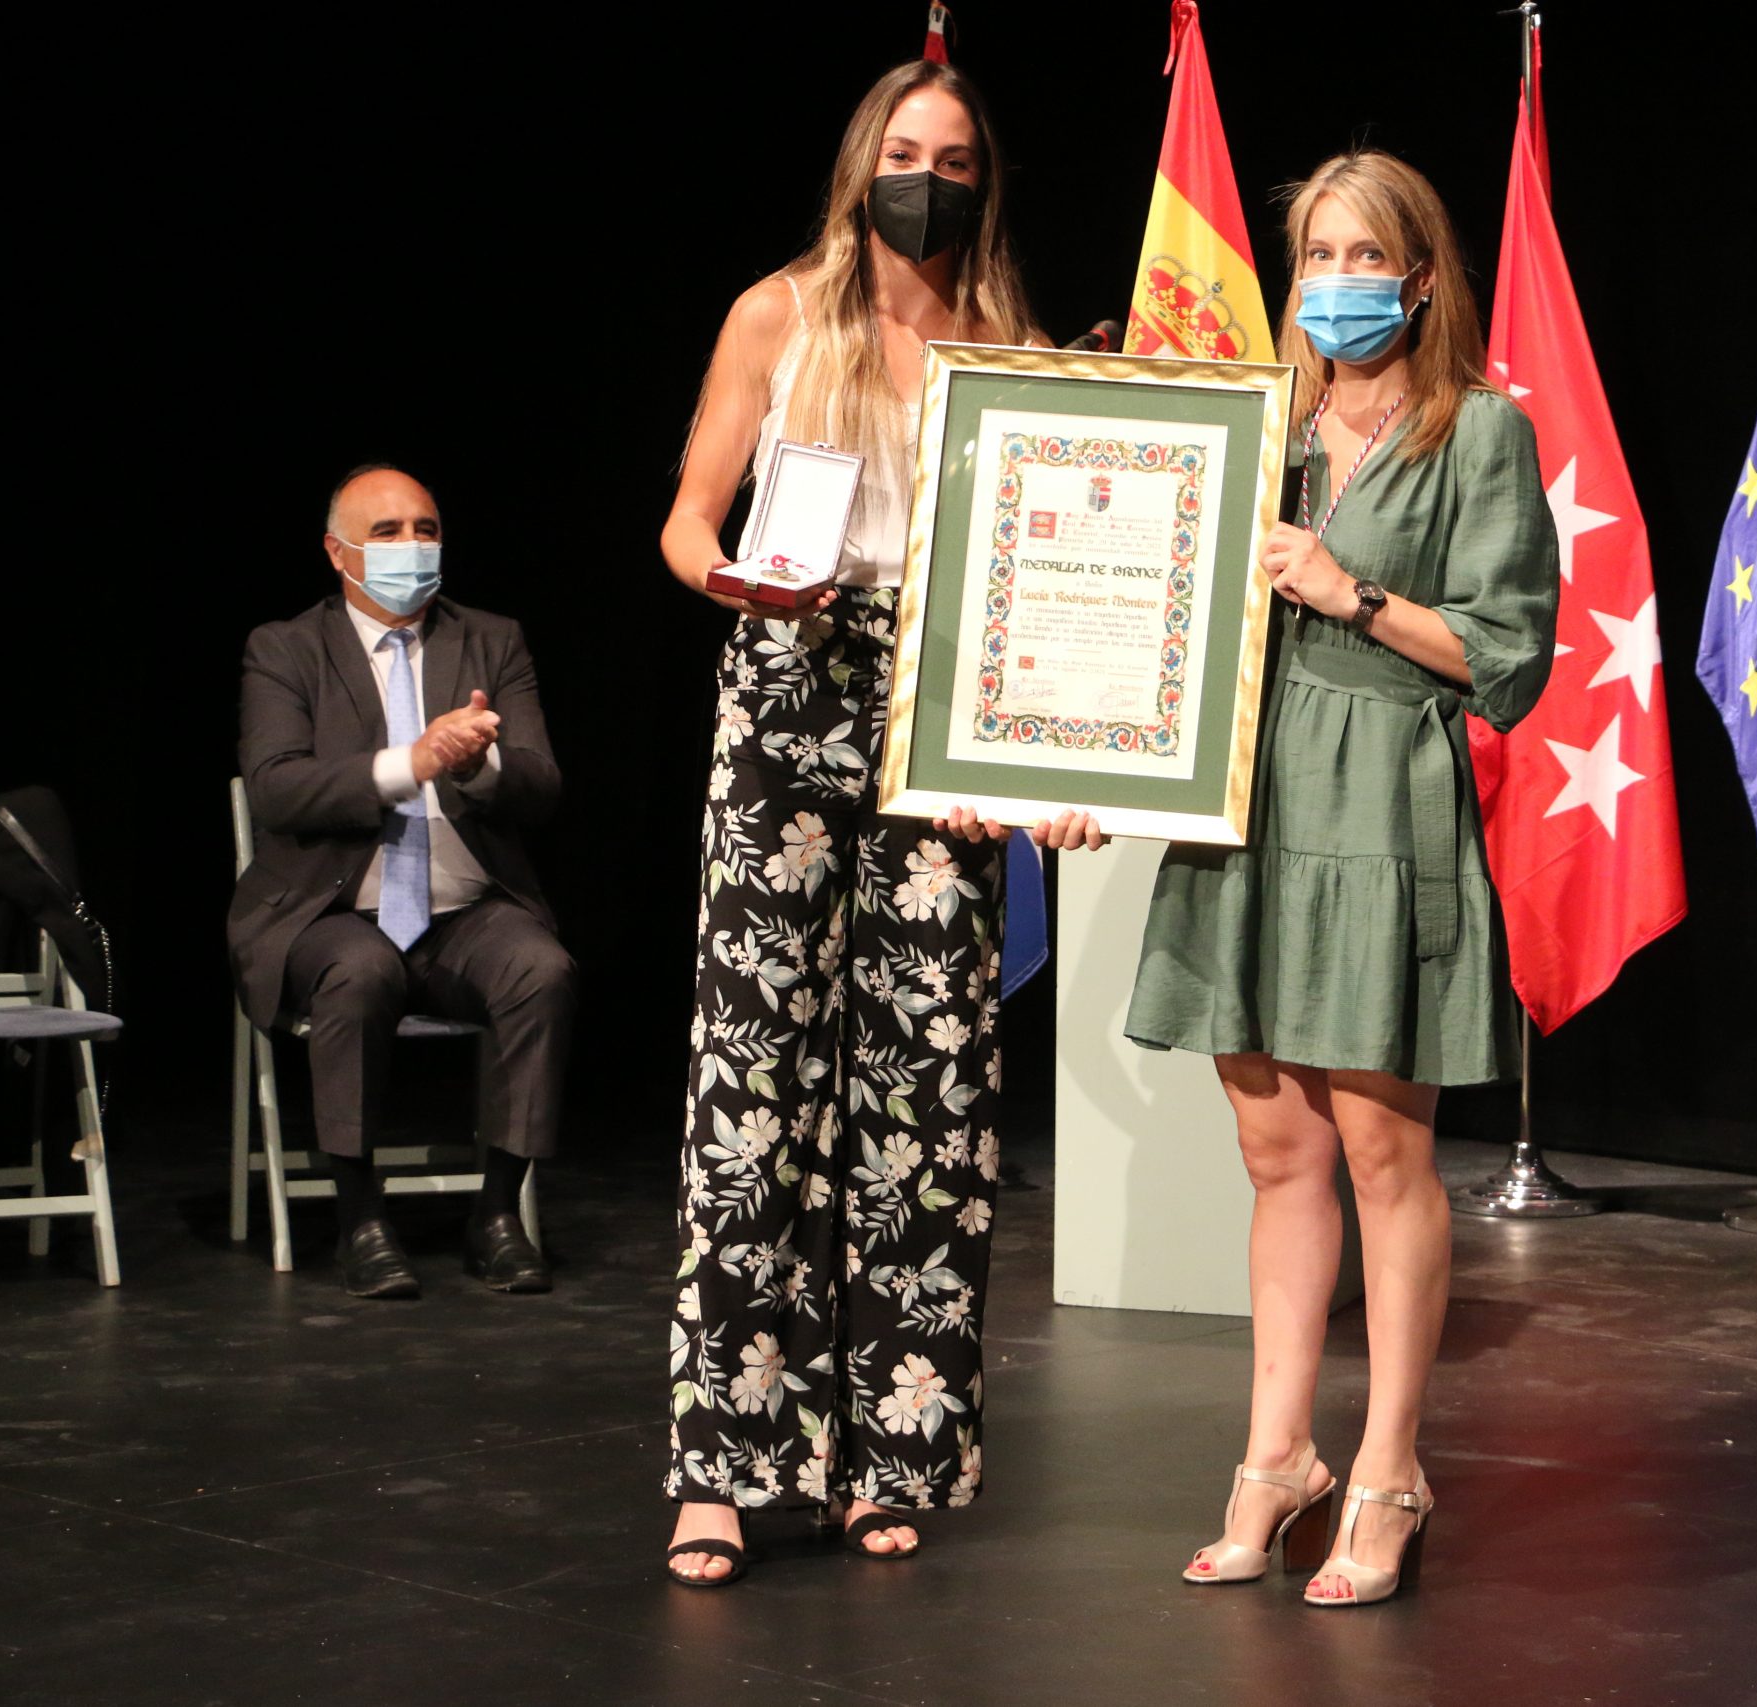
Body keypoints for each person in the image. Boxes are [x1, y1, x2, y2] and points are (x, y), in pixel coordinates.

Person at [656, 60, 1099, 1587]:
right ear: (863, 163)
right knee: (756, 1076)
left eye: (957, 155)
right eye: (907, 150)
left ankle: (887, 1452)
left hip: (943, 707)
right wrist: (739, 586)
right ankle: (724, 1464)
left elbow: (1053, 583)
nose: (931, 174)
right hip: (787, 684)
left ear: (986, 175)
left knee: (927, 1092)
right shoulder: (780, 312)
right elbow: (686, 522)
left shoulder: (1012, 341)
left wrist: (1065, 765)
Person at [1125, 150, 1560, 1606]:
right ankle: (1273, 1456)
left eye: (1368, 255)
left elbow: (1509, 655)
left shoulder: (1477, 431)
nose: (1338, 282)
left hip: (1382, 790)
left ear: (1423, 275)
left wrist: (1350, 589)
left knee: (1384, 1154)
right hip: (1243, 798)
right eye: (1317, 252)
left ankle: (1388, 1465)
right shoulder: (1252, 423)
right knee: (1276, 1154)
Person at [232, 464, 574, 1301]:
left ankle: (497, 1215)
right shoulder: (285, 647)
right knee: (360, 971)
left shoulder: (491, 639)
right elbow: (276, 785)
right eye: (386, 533)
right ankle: (359, 1217)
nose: (412, 546)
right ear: (337, 551)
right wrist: (408, 762)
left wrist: (479, 762)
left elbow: (542, 785)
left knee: (542, 969)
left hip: (463, 909)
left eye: (425, 529)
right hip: (329, 909)